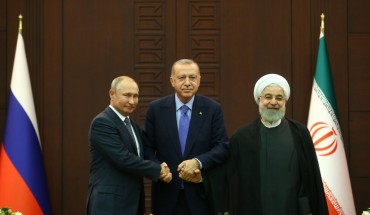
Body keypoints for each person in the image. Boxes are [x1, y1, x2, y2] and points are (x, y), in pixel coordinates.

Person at [219, 73, 328, 215]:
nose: (273, 102)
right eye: (268, 97)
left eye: (279, 98)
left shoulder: (299, 133)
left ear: (285, 101)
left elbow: (309, 177)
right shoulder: (243, 136)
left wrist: (306, 208)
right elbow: (228, 175)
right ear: (259, 100)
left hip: (292, 208)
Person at [143, 59, 230, 215]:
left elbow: (222, 147)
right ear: (172, 81)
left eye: (192, 77)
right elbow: (147, 147)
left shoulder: (212, 109)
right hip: (166, 195)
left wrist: (198, 162)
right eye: (182, 77)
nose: (188, 83)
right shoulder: (156, 109)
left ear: (199, 80)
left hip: (201, 196)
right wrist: (158, 168)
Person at [86, 76, 172, 215]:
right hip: (109, 205)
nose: (132, 101)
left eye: (136, 96)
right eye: (127, 95)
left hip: (132, 204)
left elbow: (143, 154)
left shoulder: (133, 126)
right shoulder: (102, 123)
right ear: (111, 94)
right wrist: (158, 170)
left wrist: (164, 166)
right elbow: (123, 159)